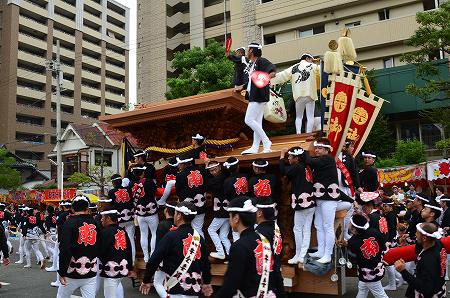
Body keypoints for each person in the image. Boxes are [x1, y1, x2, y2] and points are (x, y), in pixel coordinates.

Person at [140, 202, 213, 297]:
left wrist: (146, 280)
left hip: (176, 288)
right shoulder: (199, 238)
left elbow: (154, 259)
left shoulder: (171, 236)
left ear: (179, 216)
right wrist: (206, 282)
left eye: (175, 213)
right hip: (194, 289)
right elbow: (206, 264)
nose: (174, 216)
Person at [215, 196, 284, 297]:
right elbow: (276, 273)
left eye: (230, 216)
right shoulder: (264, 241)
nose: (229, 220)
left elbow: (230, 285)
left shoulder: (239, 246)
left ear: (236, 218)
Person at [304, 138, 340, 264]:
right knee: (318, 225)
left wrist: (304, 150)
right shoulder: (320, 160)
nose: (317, 150)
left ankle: (328, 254)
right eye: (316, 148)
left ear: (326, 150)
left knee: (327, 226)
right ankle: (321, 250)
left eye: (319, 148)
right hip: (319, 197)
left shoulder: (328, 159)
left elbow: (308, 160)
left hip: (329, 198)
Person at [57, 195, 99, 298]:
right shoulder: (95, 223)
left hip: (72, 273)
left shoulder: (69, 223)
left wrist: (62, 272)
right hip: (91, 272)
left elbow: (65, 249)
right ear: (87, 208)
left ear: (72, 208)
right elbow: (100, 246)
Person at [279, 147, 315, 265]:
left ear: (297, 158)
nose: (288, 158)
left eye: (290, 156)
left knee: (298, 229)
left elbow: (283, 170)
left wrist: (281, 156)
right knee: (305, 229)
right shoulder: (306, 166)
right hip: (310, 202)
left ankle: (299, 254)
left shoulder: (298, 167)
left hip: (302, 203)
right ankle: (302, 254)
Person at [271, 52, 319, 134]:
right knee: (310, 116)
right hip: (310, 94)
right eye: (311, 60)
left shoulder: (293, 67)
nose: (312, 62)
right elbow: (324, 70)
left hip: (298, 95)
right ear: (307, 58)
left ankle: (298, 133)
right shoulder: (313, 66)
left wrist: (270, 78)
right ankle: (308, 133)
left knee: (299, 116)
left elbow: (282, 75)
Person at [241, 42, 276, 155]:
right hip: (255, 95)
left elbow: (273, 71)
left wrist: (265, 78)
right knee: (257, 122)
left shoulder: (261, 61)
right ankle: (255, 147)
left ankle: (266, 141)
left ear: (251, 50)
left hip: (258, 96)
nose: (247, 52)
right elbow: (252, 81)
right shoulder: (253, 63)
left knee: (249, 120)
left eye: (248, 49)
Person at [395, 222, 447, 297]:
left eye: (417, 233)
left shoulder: (429, 259)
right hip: (437, 283)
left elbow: (424, 287)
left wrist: (403, 271)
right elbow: (419, 249)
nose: (415, 234)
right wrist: (405, 245)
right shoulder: (437, 244)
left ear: (424, 238)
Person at [346, 214, 388, 298]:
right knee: (362, 288)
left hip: (369, 272)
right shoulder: (374, 231)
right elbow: (383, 247)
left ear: (354, 229)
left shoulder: (353, 242)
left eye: (350, 223)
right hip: (377, 265)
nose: (348, 224)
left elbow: (353, 259)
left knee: (380, 295)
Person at [254, 197, 285, 296]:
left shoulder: (260, 233)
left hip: (264, 281)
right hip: (276, 275)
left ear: (259, 213)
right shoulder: (275, 228)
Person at [98, 208, 132, 298]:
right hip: (122, 267)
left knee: (110, 294)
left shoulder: (105, 232)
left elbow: (101, 251)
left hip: (111, 269)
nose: (101, 219)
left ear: (108, 218)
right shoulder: (122, 231)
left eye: (103, 217)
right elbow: (129, 249)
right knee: (118, 286)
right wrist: (130, 267)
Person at [175, 153, 207, 238]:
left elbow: (178, 192)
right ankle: (201, 249)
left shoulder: (180, 175)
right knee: (198, 229)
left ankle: (198, 249)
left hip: (187, 208)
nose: (178, 166)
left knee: (189, 230)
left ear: (184, 164)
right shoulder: (203, 171)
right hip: (201, 205)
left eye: (179, 164)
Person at [131, 166, 158, 263]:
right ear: (142, 172)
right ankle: (152, 254)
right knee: (154, 233)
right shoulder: (150, 182)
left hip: (140, 212)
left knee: (143, 234)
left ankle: (146, 257)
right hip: (151, 211)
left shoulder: (132, 184)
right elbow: (155, 192)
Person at [205, 161, 231, 260]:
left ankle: (220, 252)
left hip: (221, 210)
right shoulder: (220, 177)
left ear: (219, 167)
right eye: (211, 171)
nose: (213, 172)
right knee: (223, 235)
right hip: (225, 211)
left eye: (214, 169)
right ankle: (230, 255)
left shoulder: (222, 177)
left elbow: (208, 183)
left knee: (211, 230)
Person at [109, 174, 136, 263]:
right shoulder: (129, 190)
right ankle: (132, 261)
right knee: (131, 239)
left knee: (118, 239)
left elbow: (111, 205)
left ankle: (120, 259)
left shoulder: (111, 192)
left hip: (118, 219)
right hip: (130, 217)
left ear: (113, 183)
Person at [222, 157, 249, 241]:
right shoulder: (246, 176)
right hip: (247, 206)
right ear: (238, 166)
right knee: (247, 228)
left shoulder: (227, 181)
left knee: (236, 231)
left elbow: (227, 196)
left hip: (234, 207)